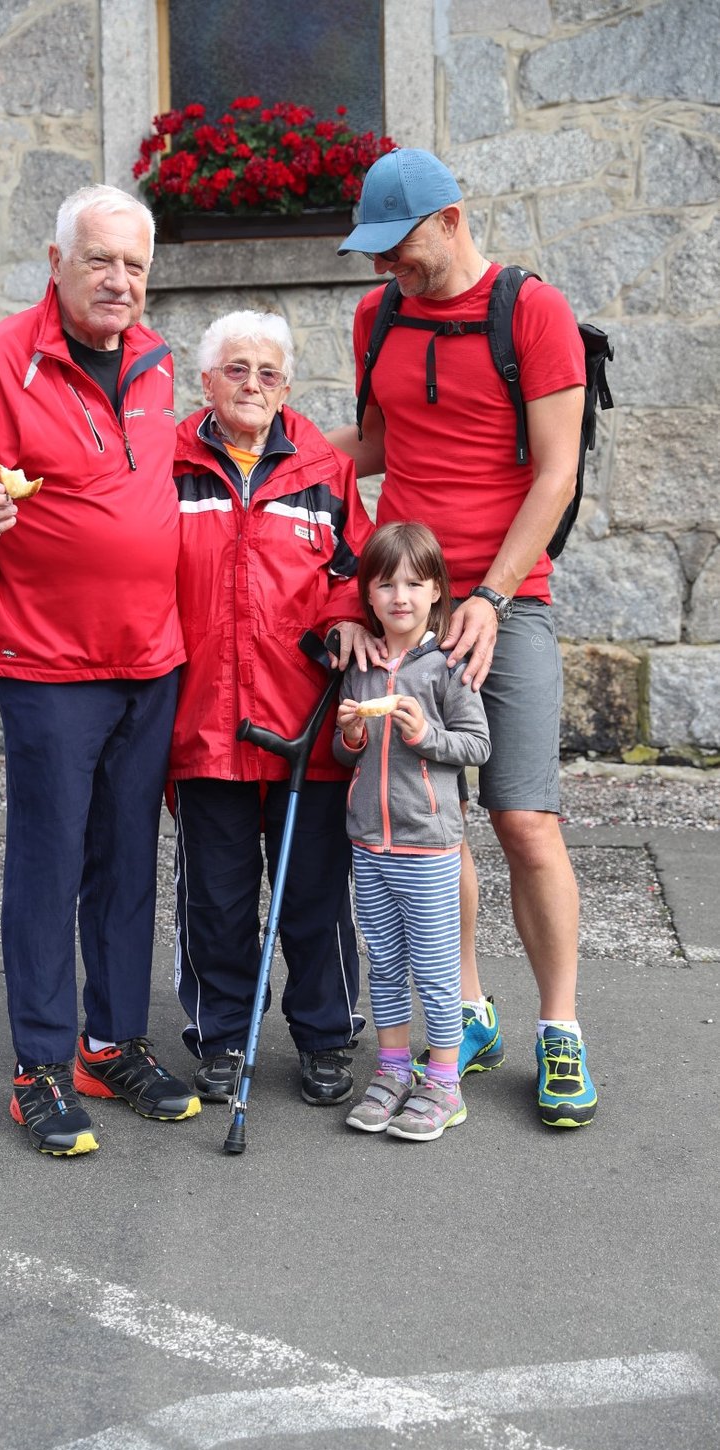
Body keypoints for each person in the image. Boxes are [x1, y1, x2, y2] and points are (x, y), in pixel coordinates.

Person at [0, 184, 200, 1158]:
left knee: (127, 860)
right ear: (57, 261)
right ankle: (39, 1066)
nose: (119, 281)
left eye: (134, 266)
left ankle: (111, 1044)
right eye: (101, 261)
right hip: (46, 659)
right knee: (49, 861)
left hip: (152, 655)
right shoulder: (1, 360)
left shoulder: (161, 365)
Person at [329, 147, 598, 1127]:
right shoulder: (379, 316)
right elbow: (375, 448)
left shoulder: (533, 313)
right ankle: (468, 1011)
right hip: (405, 600)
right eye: (374, 256)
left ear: (449, 219)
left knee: (523, 818)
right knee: (430, 825)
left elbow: (555, 473)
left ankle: (559, 1028)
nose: (382, 271)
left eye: (395, 250)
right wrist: (265, 449)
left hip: (507, 598)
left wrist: (488, 591)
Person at [170, 310, 376, 1106]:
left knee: (314, 899)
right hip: (205, 725)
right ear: (206, 380)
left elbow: (355, 571)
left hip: (304, 731)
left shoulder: (324, 470)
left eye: (267, 372)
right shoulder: (168, 463)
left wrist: (346, 613)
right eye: (235, 369)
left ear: (286, 385)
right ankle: (224, 1037)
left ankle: (326, 1035)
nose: (252, 384)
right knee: (215, 902)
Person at [334, 522, 490, 1140]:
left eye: (414, 584)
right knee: (386, 962)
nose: (400, 596)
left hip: (428, 843)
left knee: (434, 964)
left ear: (436, 594)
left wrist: (425, 735)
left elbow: (476, 743)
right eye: (385, 584)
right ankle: (394, 1066)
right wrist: (350, 735)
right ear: (368, 597)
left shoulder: (447, 667)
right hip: (369, 842)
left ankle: (445, 1081)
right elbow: (351, 758)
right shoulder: (363, 668)